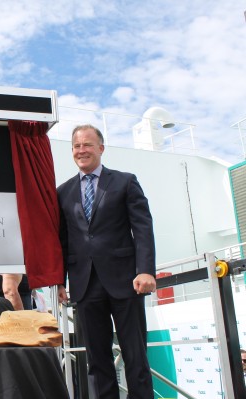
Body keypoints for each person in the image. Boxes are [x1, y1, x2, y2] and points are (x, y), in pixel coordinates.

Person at [57, 124, 156, 399]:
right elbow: (62, 240)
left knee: (135, 356)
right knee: (96, 362)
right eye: (76, 146)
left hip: (127, 282)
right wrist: (59, 281)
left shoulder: (125, 181)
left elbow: (143, 228)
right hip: (85, 285)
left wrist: (145, 270)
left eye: (87, 144)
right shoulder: (63, 191)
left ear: (101, 148)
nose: (81, 150)